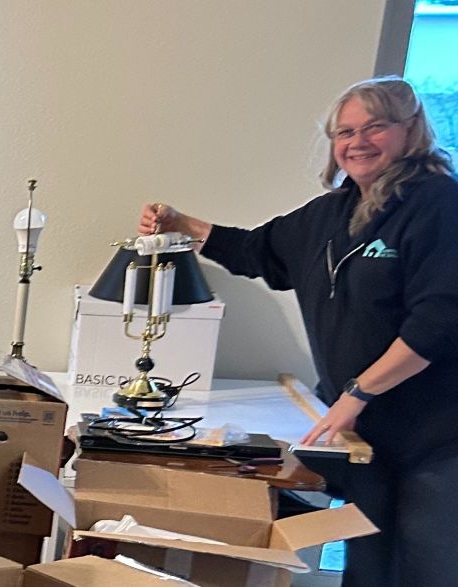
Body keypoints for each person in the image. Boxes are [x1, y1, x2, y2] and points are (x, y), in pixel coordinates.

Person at [139, 77, 458, 586]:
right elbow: (256, 250)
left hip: (437, 436)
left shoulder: (438, 203)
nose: (357, 142)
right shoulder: (331, 213)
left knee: (427, 567)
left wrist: (356, 394)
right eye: (345, 132)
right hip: (365, 437)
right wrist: (181, 223)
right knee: (368, 567)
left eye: (375, 127)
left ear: (410, 131)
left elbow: (437, 323)